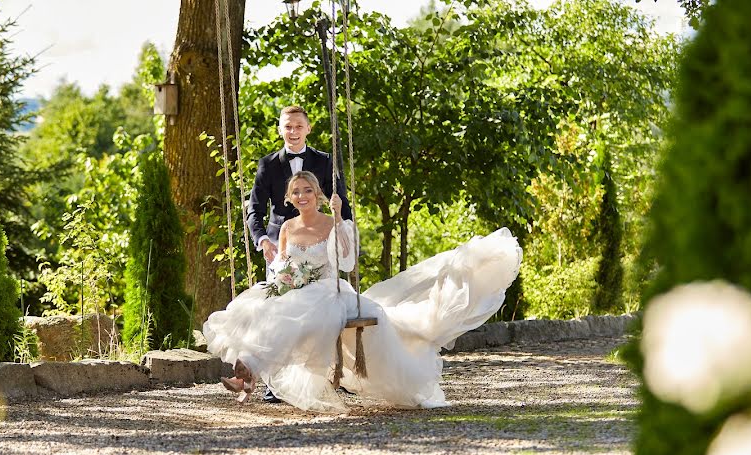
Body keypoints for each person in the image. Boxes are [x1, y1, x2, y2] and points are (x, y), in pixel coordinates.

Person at [203, 171, 523, 413]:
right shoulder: (287, 228)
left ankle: (248, 370)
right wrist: (283, 280)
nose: (302, 196)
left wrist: (341, 217)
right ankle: (248, 373)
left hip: (327, 289)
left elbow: (345, 261)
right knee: (255, 307)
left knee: (298, 314)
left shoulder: (331, 223)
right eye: (296, 192)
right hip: (296, 289)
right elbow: (282, 265)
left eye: (308, 191)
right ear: (289, 197)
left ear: (317, 194)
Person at [247, 104, 352, 403]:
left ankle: (327, 374)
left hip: (319, 242)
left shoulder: (325, 160)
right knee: (274, 308)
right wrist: (263, 241)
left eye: (298, 126)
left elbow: (341, 201)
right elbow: (254, 209)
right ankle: (273, 382)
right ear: (280, 129)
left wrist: (344, 234)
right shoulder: (268, 164)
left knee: (319, 309)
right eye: (287, 127)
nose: (292, 132)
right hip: (283, 244)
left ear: (308, 128)